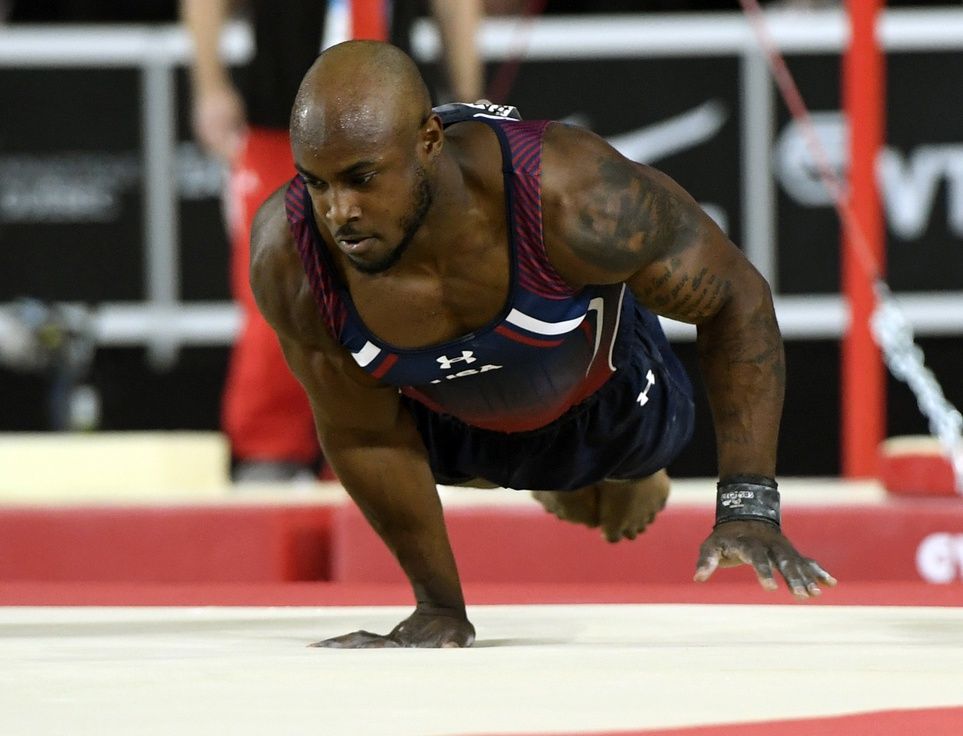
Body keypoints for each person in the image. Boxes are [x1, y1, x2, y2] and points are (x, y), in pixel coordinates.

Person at [251, 40, 837, 648]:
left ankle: (618, 474)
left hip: (610, 405)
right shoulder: (291, 259)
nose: (339, 211)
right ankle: (543, 473)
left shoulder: (573, 194)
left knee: (615, 490)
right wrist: (439, 607)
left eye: (361, 178)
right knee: (396, 426)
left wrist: (749, 505)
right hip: (455, 430)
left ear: (429, 140)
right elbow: (362, 435)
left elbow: (737, 297)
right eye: (315, 183)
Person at [182, 0, 484, 482]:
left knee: (393, 294)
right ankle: (270, 451)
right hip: (279, 129)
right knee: (277, 298)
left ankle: (375, 451)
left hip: (385, 139)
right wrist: (209, 85)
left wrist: (468, 96)